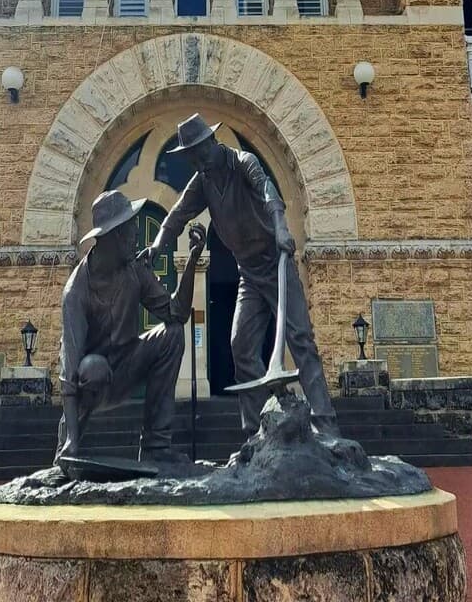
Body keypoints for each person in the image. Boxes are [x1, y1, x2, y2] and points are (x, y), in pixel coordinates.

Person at [139, 114, 339, 438]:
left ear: (209, 144)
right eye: (188, 154)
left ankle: (326, 424)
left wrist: (280, 230)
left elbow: (269, 193)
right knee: (241, 345)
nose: (193, 159)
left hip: (276, 262)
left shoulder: (243, 162)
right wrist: (157, 245)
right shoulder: (203, 180)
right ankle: (257, 429)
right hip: (247, 271)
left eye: (194, 151)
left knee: (300, 338)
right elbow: (176, 215)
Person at [56, 188, 205, 463]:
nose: (136, 235)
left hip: (127, 365)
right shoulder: (76, 291)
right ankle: (69, 446)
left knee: (172, 335)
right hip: (92, 383)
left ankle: (155, 447)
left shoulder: (134, 270)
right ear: (113, 236)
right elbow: (69, 375)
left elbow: (176, 314)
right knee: (92, 368)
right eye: (130, 228)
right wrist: (70, 443)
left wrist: (193, 259)